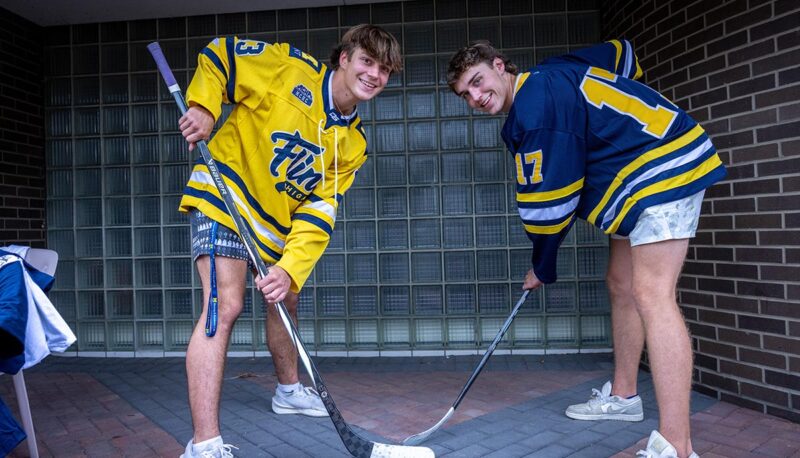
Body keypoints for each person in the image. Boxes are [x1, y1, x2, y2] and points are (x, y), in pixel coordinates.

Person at [447, 39, 725, 458]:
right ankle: (625, 396)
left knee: (653, 295)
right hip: (635, 175)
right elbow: (623, 54)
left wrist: (542, 265)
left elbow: (549, 203)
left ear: (500, 66)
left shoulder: (534, 107)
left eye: (477, 82)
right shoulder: (553, 69)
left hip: (660, 169)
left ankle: (677, 446)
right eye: (465, 94)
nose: (475, 97)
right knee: (621, 282)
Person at [176, 25, 402, 458]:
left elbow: (319, 213)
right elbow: (222, 55)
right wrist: (203, 106)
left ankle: (289, 391)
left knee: (287, 297)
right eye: (367, 61)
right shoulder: (288, 68)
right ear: (344, 58)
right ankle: (203, 445)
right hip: (225, 194)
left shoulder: (352, 144)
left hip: (272, 224)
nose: (375, 74)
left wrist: (288, 269)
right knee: (225, 305)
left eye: (385, 69)